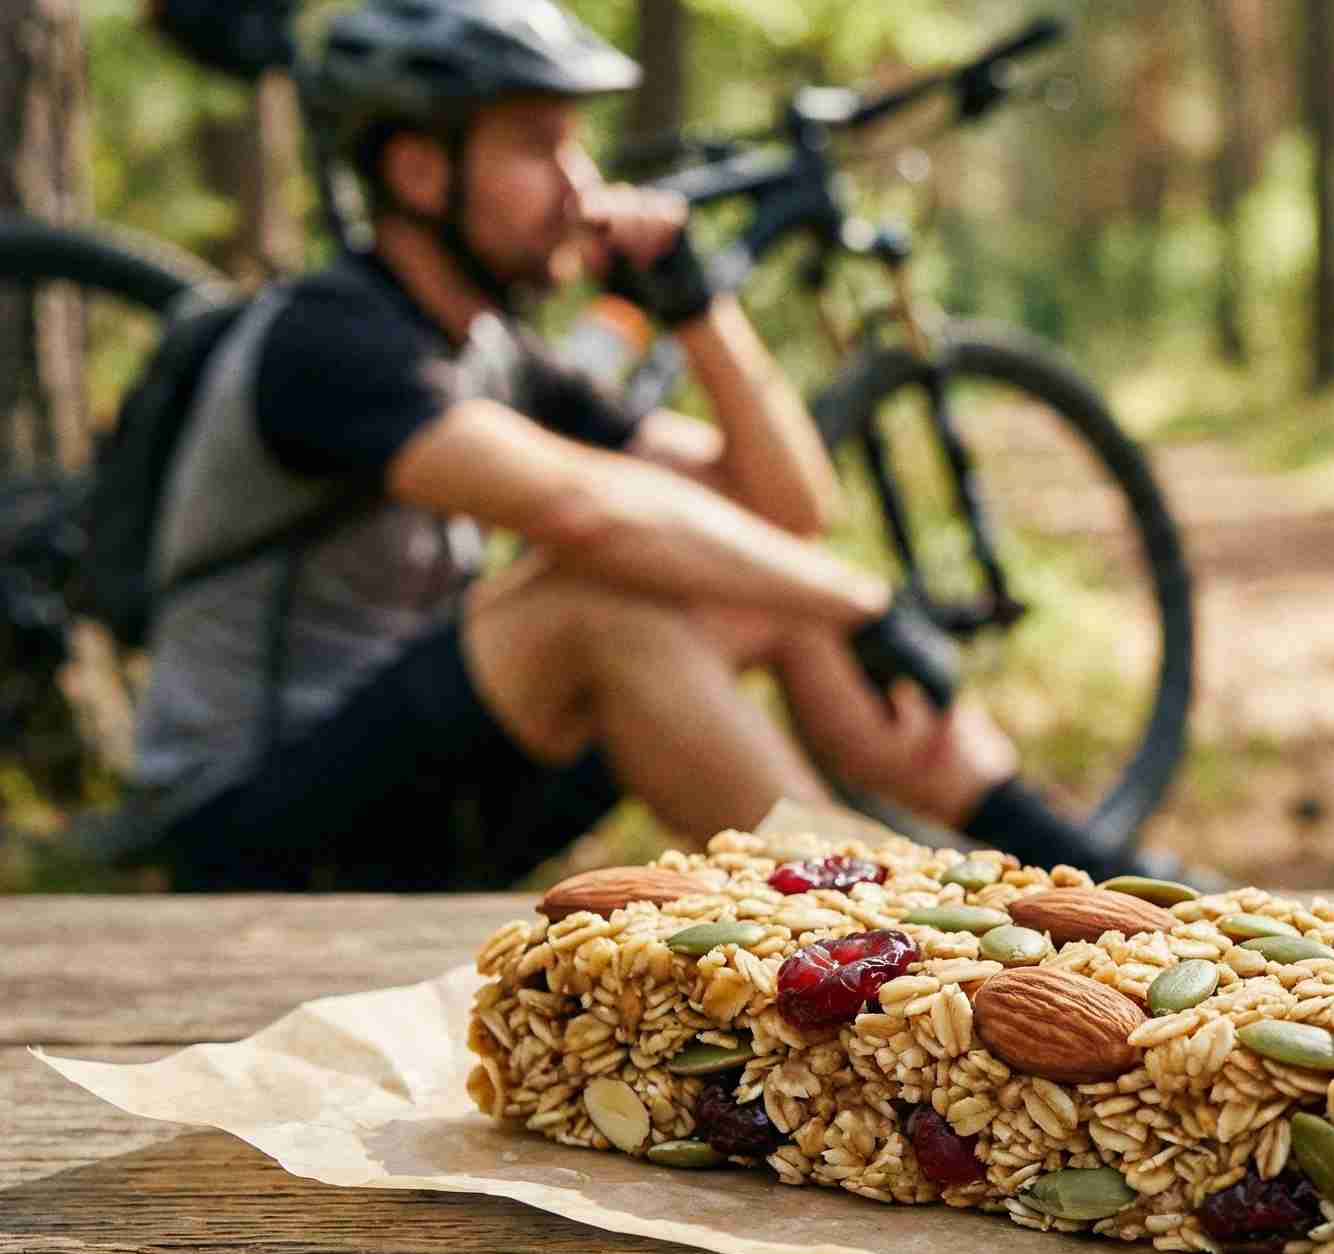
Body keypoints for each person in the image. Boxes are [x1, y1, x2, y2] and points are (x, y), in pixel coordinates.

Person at [130, 0, 1151, 890]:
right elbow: (586, 512)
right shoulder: (331, 337)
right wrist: (869, 599)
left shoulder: (497, 350)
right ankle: (863, 932)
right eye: (538, 146)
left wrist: (698, 309)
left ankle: (1081, 863)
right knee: (597, 595)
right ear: (416, 167)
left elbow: (784, 509)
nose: (579, 183)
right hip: (251, 823)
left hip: (415, 790)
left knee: (759, 575)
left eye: (577, 145)